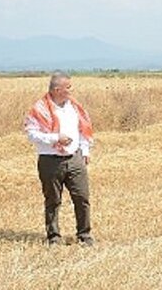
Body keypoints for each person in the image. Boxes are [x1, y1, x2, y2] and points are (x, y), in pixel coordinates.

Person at [24, 71, 95, 246]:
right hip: (50, 160)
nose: (71, 90)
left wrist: (85, 152)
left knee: (82, 197)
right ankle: (54, 237)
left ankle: (84, 235)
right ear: (57, 89)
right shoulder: (39, 109)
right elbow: (31, 134)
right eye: (68, 87)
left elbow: (83, 130)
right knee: (53, 200)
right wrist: (55, 138)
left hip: (75, 158)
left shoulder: (75, 107)